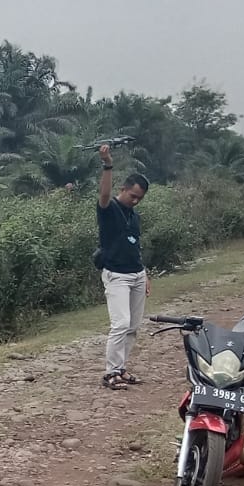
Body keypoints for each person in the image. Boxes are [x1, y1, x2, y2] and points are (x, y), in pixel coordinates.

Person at [94, 143, 151, 390]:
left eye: (139, 198)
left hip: (136, 274)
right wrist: (108, 164)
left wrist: (145, 273)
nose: (135, 201)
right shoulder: (109, 209)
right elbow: (104, 195)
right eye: (132, 196)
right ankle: (110, 373)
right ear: (123, 189)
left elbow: (135, 245)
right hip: (116, 275)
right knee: (120, 324)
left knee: (133, 327)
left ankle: (121, 368)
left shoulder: (134, 216)